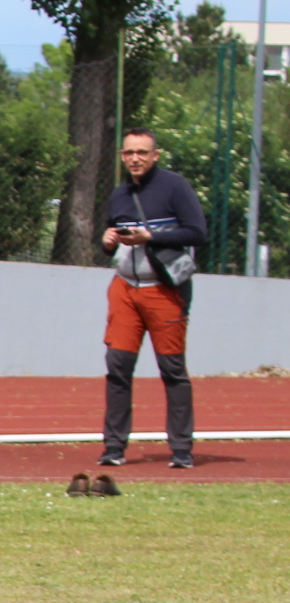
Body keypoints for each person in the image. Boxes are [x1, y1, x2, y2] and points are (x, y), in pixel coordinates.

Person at [100, 128, 206, 471]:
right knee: (117, 365)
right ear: (122, 156)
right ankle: (114, 447)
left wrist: (151, 236)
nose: (135, 159)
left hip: (164, 290)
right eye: (129, 152)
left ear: (155, 155)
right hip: (125, 288)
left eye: (142, 152)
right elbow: (111, 239)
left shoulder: (175, 186)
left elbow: (197, 232)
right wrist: (107, 241)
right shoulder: (119, 194)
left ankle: (181, 449)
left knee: (172, 369)